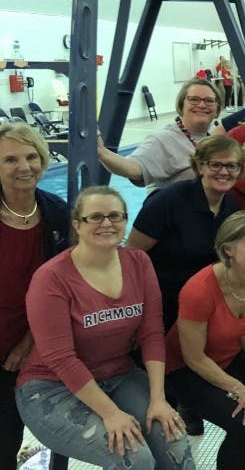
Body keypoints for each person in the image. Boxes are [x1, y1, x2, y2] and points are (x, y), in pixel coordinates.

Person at [16, 186, 194, 470]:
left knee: (175, 443)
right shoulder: (51, 278)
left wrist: (159, 399)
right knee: (134, 458)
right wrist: (111, 414)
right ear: (77, 224)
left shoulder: (138, 262)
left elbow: (151, 333)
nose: (107, 223)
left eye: (115, 216)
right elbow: (60, 358)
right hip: (52, 387)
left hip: (119, 375)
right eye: (95, 217)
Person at [164, 211, 245, 469]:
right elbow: (193, 357)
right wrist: (240, 391)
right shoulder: (199, 290)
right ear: (228, 249)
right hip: (182, 369)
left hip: (227, 356)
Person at [0, 124, 70, 469]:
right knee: (3, 437)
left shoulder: (56, 211)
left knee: (23, 429)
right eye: (10, 159)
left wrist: (29, 341)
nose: (24, 166)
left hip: (34, 340)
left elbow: (65, 289)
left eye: (31, 157)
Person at [128, 136, 242, 332]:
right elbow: (131, 256)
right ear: (200, 167)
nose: (224, 172)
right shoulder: (168, 201)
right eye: (215, 165)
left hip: (201, 305)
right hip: (161, 306)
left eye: (231, 166)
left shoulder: (230, 205)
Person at [97, 78, 223, 191]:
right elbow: (134, 168)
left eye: (209, 100)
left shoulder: (213, 142)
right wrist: (102, 152)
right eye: (194, 99)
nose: (202, 105)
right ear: (181, 105)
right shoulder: (163, 139)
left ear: (217, 110)